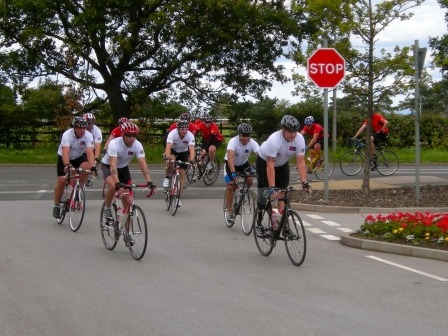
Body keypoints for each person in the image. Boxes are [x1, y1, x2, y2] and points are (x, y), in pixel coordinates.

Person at [255, 115, 311, 237]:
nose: (293, 135)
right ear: (283, 130)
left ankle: (284, 227)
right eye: (290, 132)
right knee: (264, 193)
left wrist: (304, 182)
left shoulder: (299, 139)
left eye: (295, 132)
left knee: (283, 194)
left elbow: (301, 162)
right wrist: (272, 187)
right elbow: (270, 165)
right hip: (264, 161)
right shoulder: (274, 140)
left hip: (282, 164)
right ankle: (259, 223)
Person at [101, 121, 155, 246]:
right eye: (129, 136)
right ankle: (108, 208)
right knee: (114, 186)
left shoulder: (137, 145)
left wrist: (149, 180)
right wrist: (118, 182)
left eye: (134, 136)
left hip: (124, 169)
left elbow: (143, 164)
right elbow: (113, 166)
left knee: (128, 203)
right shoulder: (114, 144)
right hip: (108, 166)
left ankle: (127, 233)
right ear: (123, 135)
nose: (132, 138)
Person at [53, 116, 97, 219]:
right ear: (74, 128)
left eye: (84, 128)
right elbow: (65, 151)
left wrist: (93, 167)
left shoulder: (88, 135)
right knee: (62, 181)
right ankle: (56, 205)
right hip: (65, 156)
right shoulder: (67, 135)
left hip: (78, 156)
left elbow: (90, 153)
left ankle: (78, 189)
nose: (82, 130)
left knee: (86, 167)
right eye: (79, 128)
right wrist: (67, 165)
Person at [224, 123, 259, 224]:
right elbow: (230, 158)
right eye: (243, 135)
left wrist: (262, 169)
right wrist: (234, 173)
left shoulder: (252, 143)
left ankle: (245, 192)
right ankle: (230, 212)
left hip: (243, 164)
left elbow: (259, 156)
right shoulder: (233, 142)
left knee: (250, 179)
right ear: (239, 134)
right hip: (231, 164)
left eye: (248, 135)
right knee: (231, 186)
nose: (246, 138)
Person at [163, 119, 196, 207]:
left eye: (186, 129)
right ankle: (167, 177)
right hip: (173, 151)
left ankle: (178, 197)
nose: (184, 131)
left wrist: (192, 159)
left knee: (182, 173)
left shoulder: (190, 135)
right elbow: (168, 147)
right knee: (171, 160)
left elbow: (192, 148)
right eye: (182, 129)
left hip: (183, 152)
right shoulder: (172, 133)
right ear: (178, 129)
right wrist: (167, 156)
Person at [83, 112, 103, 187]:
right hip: (82, 149)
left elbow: (98, 146)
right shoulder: (81, 129)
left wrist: (96, 158)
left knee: (95, 161)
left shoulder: (97, 131)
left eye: (91, 123)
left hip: (92, 149)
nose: (90, 125)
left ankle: (90, 176)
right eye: (88, 123)